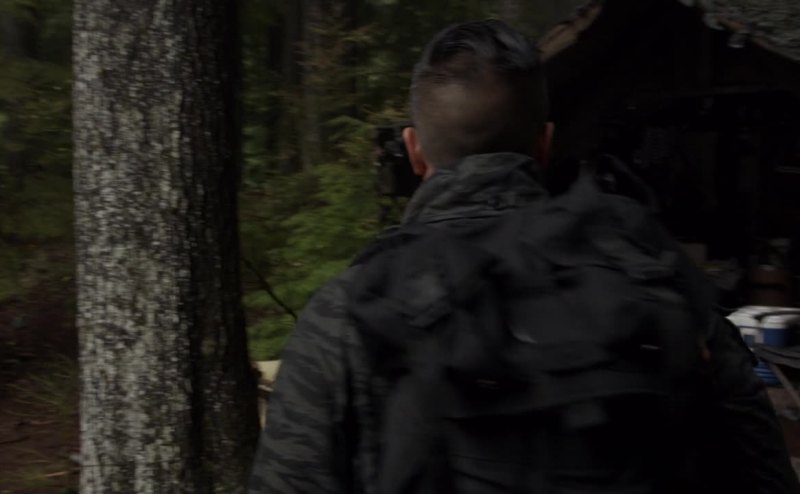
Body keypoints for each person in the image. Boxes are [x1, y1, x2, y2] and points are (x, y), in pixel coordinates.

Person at [248, 20, 799, 494]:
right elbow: (764, 471)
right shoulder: (654, 272)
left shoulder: (351, 310)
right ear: (545, 143)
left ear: (414, 151)